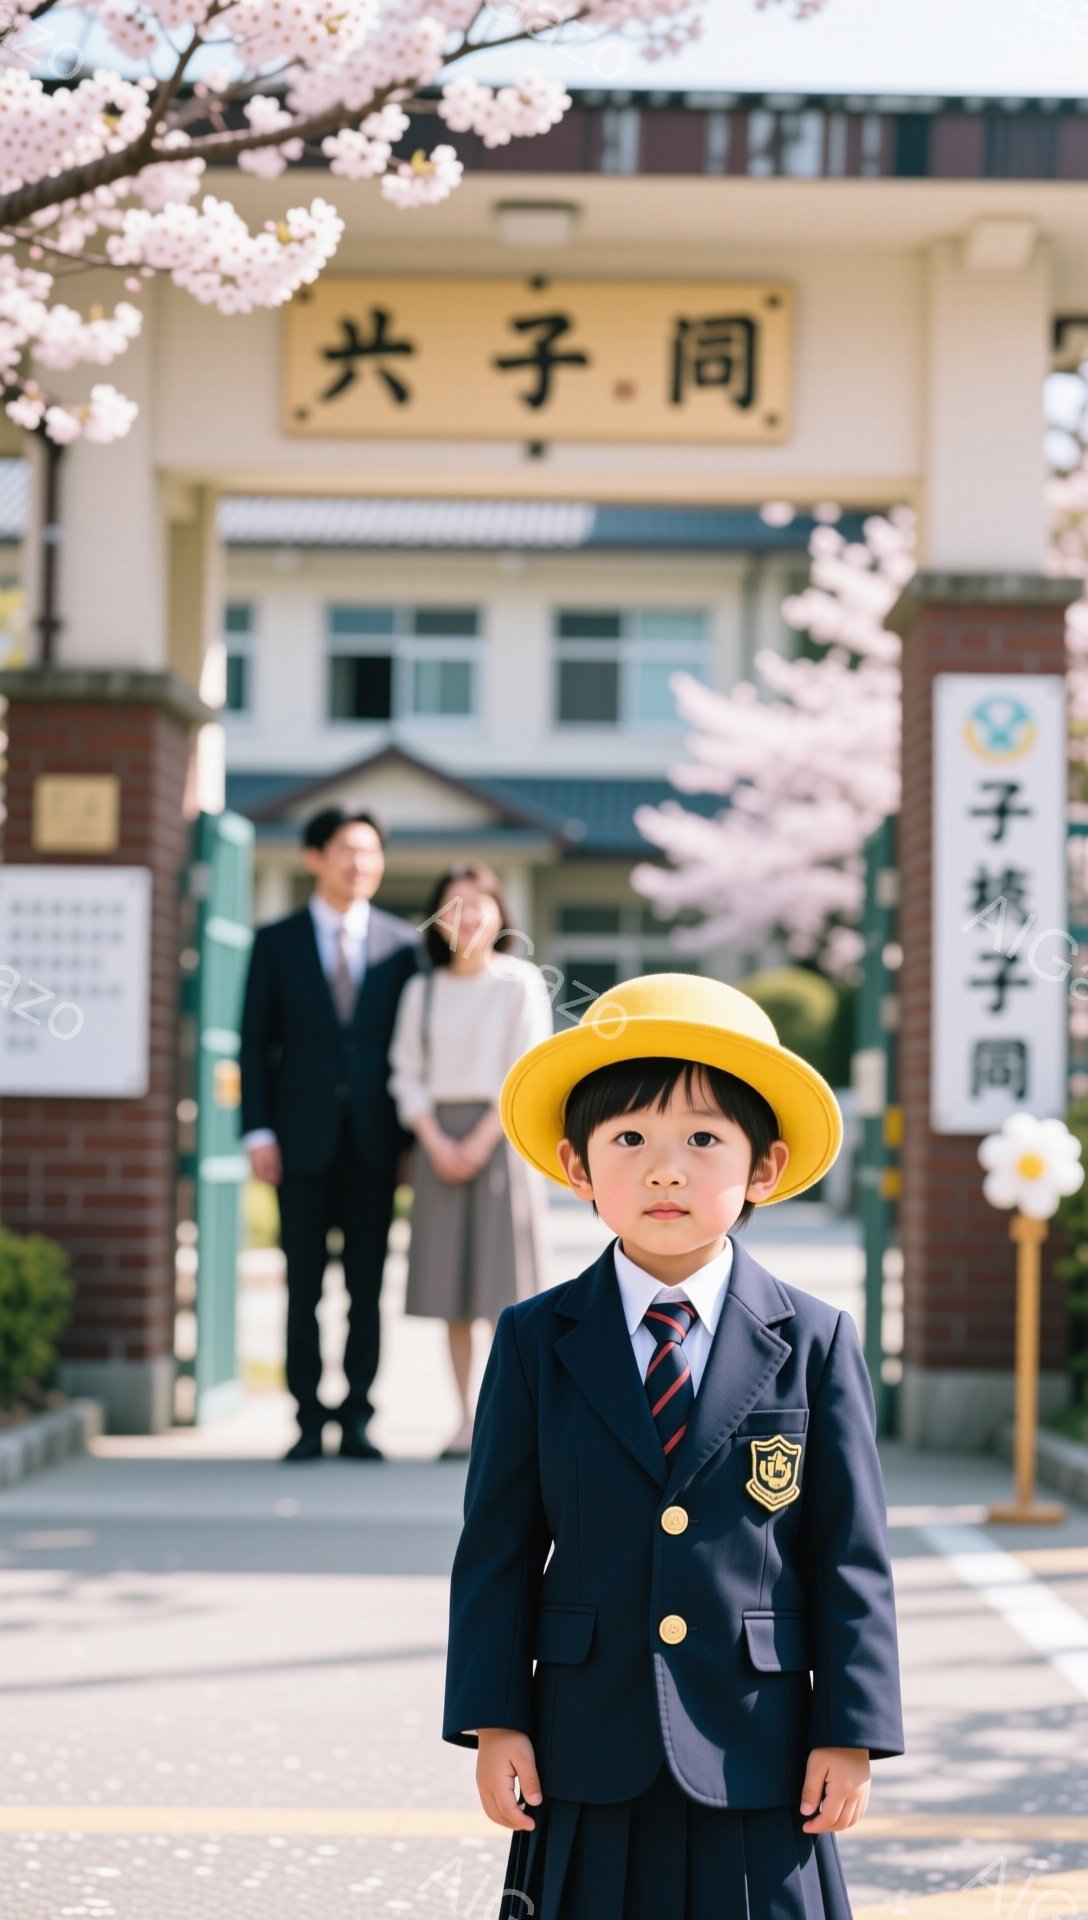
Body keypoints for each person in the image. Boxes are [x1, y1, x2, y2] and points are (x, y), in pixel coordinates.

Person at [442, 971, 905, 1920]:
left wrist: (850, 1731)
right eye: (630, 1141)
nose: (666, 1169)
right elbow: (496, 1546)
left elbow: (849, 1554)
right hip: (584, 1738)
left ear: (764, 1167)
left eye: (703, 1139)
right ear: (577, 1168)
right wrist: (496, 1720)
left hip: (761, 1746)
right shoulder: (537, 1339)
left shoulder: (813, 1342)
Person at [239, 807, 422, 1463]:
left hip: (376, 1145)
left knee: (368, 1289)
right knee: (305, 1287)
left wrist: (410, 1145)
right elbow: (253, 1045)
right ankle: (308, 1418)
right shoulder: (276, 942)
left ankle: (360, 1416)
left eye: (371, 853)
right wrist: (256, 1131)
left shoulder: (404, 946)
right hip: (299, 1144)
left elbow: (412, 1050)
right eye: (347, 851)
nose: (360, 865)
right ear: (314, 857)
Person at [388, 862, 553, 1460]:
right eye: (455, 905)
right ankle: (462, 1419)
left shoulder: (520, 983)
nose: (469, 917)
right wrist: (434, 1140)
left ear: (501, 914)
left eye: (480, 904)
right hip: (438, 1144)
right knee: (450, 1292)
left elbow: (526, 1065)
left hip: (500, 1142)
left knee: (502, 1293)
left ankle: (506, 1420)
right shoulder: (422, 989)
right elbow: (405, 1072)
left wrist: (483, 1139)